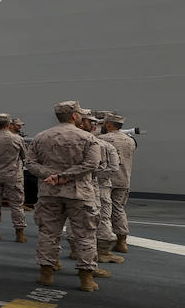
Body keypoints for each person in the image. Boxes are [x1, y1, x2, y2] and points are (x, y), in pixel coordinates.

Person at [27, 101, 103, 291]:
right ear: (75, 116)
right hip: (80, 194)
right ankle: (86, 278)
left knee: (48, 233)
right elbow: (92, 164)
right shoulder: (88, 138)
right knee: (85, 235)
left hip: (49, 192)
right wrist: (64, 177)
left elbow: (29, 163)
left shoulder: (41, 137)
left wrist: (50, 176)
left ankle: (46, 274)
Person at [82, 112, 124, 269]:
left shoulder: (77, 142)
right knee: (104, 217)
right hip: (102, 186)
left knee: (78, 218)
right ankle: (103, 252)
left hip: (78, 186)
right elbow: (113, 167)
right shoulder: (106, 146)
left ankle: (75, 250)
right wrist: (96, 175)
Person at [0, 113, 27, 242]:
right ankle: (19, 233)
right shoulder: (17, 139)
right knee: (17, 205)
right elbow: (25, 157)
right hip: (13, 175)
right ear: (9, 124)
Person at [101, 113, 135, 255]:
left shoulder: (102, 139)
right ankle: (122, 241)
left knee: (104, 211)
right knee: (118, 209)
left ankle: (104, 243)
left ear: (108, 124)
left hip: (105, 180)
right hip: (123, 180)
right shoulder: (130, 141)